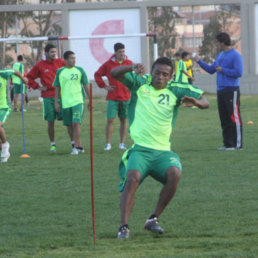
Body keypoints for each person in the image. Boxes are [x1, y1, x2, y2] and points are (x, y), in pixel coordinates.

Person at [110, 57, 209, 239]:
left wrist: (196, 103)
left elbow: (205, 101)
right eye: (157, 73)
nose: (160, 78)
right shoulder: (139, 83)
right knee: (132, 178)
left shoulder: (177, 89)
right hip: (140, 150)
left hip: (162, 152)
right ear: (151, 72)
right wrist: (131, 67)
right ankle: (124, 227)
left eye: (165, 74)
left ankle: (153, 218)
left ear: (170, 77)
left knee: (175, 174)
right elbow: (114, 73)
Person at [193, 32, 243, 150]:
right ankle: (228, 144)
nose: (216, 44)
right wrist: (199, 61)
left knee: (233, 117)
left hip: (232, 90)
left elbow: (239, 72)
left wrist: (223, 70)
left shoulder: (235, 55)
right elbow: (211, 70)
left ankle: (237, 144)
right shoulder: (220, 55)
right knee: (224, 118)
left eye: (217, 42)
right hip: (221, 91)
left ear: (223, 42)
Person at [27, 43, 66, 152]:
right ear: (46, 53)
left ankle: (74, 144)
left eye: (55, 52)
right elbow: (29, 77)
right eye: (52, 52)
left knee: (68, 121)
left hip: (62, 96)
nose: (54, 54)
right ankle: (53, 144)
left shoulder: (61, 63)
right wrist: (38, 87)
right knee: (50, 121)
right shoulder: (40, 65)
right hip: (48, 97)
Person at [94, 42, 132, 151]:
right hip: (113, 97)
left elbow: (135, 76)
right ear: (115, 52)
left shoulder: (129, 63)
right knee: (110, 120)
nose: (122, 54)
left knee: (124, 120)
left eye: (123, 51)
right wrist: (105, 86)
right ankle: (108, 144)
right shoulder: (108, 64)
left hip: (125, 97)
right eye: (120, 52)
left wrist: (132, 86)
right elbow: (97, 75)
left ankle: (122, 143)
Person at [53, 51, 90, 155]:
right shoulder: (60, 72)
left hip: (77, 101)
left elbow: (86, 85)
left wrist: (90, 99)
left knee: (76, 123)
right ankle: (76, 145)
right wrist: (56, 102)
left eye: (75, 58)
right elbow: (57, 87)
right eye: (71, 58)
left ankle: (76, 147)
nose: (74, 60)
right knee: (69, 125)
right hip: (65, 103)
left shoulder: (80, 70)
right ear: (66, 60)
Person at [0, 68, 28, 163]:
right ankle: (4, 151)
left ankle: (5, 144)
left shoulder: (3, 73)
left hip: (3, 107)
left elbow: (14, 71)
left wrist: (23, 78)